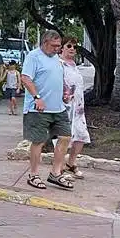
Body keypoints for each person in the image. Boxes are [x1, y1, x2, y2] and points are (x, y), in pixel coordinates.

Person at [20, 30, 75, 191]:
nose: (57, 49)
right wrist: (37, 97)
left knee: (65, 136)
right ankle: (33, 175)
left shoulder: (56, 59)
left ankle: (55, 173)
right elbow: (25, 78)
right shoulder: (34, 57)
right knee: (39, 141)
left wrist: (64, 93)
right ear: (45, 43)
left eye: (59, 46)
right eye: (54, 46)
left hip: (58, 107)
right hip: (38, 109)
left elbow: (57, 79)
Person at [60, 37, 90, 179]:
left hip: (78, 107)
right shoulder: (59, 64)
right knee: (64, 137)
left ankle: (70, 163)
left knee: (81, 135)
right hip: (65, 106)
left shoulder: (73, 64)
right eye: (69, 46)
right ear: (62, 48)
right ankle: (59, 168)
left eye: (74, 47)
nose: (72, 48)